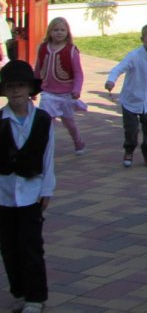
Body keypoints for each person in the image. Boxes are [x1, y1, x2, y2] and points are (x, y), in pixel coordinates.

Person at [0, 60, 55, 313]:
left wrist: (47, 189)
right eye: (10, 86)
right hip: (4, 192)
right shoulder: (1, 120)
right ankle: (20, 293)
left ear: (30, 89)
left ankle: (35, 297)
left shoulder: (43, 119)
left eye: (21, 85)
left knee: (31, 246)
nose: (16, 91)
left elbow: (48, 157)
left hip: (32, 193)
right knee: (9, 248)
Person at [104, 24, 147, 169]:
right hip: (130, 100)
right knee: (131, 130)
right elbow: (119, 68)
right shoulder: (134, 56)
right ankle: (129, 152)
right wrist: (111, 80)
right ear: (142, 39)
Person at [33, 17, 86, 155]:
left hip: (66, 95)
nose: (59, 33)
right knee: (46, 122)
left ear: (67, 32)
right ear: (50, 32)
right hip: (48, 94)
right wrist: (33, 89)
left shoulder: (71, 50)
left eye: (62, 30)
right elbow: (38, 70)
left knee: (69, 123)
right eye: (56, 30)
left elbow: (78, 73)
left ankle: (78, 142)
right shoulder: (42, 48)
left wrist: (76, 90)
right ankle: (45, 148)